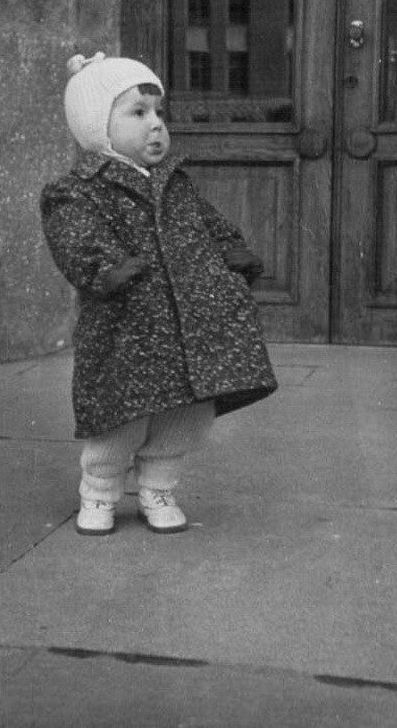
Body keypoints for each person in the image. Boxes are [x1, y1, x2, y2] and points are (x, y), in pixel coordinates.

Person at [40, 52, 277, 536]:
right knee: (121, 415)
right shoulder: (79, 191)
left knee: (187, 411)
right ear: (97, 126)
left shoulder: (175, 182)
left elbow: (208, 223)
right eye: (138, 112)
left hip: (192, 324)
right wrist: (108, 269)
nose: (156, 125)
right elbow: (75, 238)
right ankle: (100, 489)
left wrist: (230, 250)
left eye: (159, 113)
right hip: (128, 324)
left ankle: (159, 487)